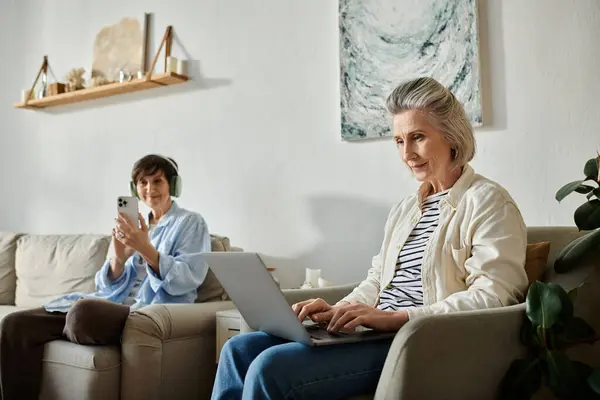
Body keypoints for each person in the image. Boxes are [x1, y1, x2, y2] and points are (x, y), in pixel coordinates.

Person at [211, 77, 529, 400]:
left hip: (414, 343)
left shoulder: (489, 203)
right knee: (237, 350)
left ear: (451, 137)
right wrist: (339, 309)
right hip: (371, 334)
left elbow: (493, 297)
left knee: (270, 368)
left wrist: (397, 318)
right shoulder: (405, 210)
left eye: (417, 137)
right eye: (398, 141)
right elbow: (378, 281)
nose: (407, 154)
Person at [0, 154, 211, 400]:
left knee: (82, 314)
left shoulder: (190, 223)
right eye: (143, 182)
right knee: (15, 325)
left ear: (173, 186)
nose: (149, 189)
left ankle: (75, 325)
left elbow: (189, 278)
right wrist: (119, 258)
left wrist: (147, 250)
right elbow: (106, 285)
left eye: (157, 181)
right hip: (110, 305)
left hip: (144, 312)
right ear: (135, 188)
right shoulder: (136, 226)